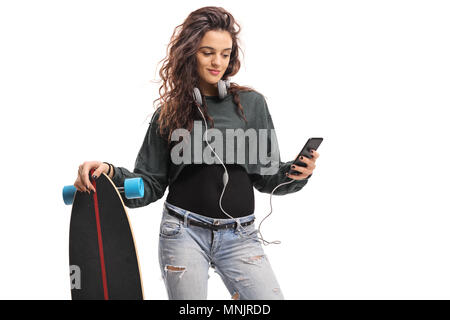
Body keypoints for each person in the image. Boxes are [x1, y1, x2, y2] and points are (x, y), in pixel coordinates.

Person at [74, 6, 319, 300]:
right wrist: (110, 173)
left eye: (225, 54)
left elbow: (268, 176)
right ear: (190, 52)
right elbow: (149, 185)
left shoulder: (252, 105)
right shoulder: (168, 113)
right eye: (208, 52)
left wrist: (297, 173)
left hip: (241, 236)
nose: (218, 62)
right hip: (183, 233)